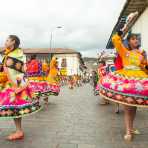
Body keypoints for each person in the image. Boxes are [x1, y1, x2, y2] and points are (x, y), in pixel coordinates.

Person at [99, 31, 148, 141]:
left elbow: (145, 67)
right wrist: (121, 32)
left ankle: (131, 128)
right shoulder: (124, 51)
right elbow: (115, 40)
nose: (136, 40)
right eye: (133, 38)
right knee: (127, 107)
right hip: (126, 81)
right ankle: (127, 131)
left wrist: (144, 62)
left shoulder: (142, 54)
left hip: (137, 82)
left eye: (137, 38)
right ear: (129, 41)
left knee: (134, 107)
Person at [0, 35, 41, 140]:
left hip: (14, 85)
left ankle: (19, 131)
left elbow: (18, 71)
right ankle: (18, 131)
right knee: (13, 107)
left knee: (15, 108)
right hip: (8, 83)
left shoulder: (16, 54)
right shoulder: (10, 53)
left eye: (7, 40)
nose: (5, 42)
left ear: (13, 42)